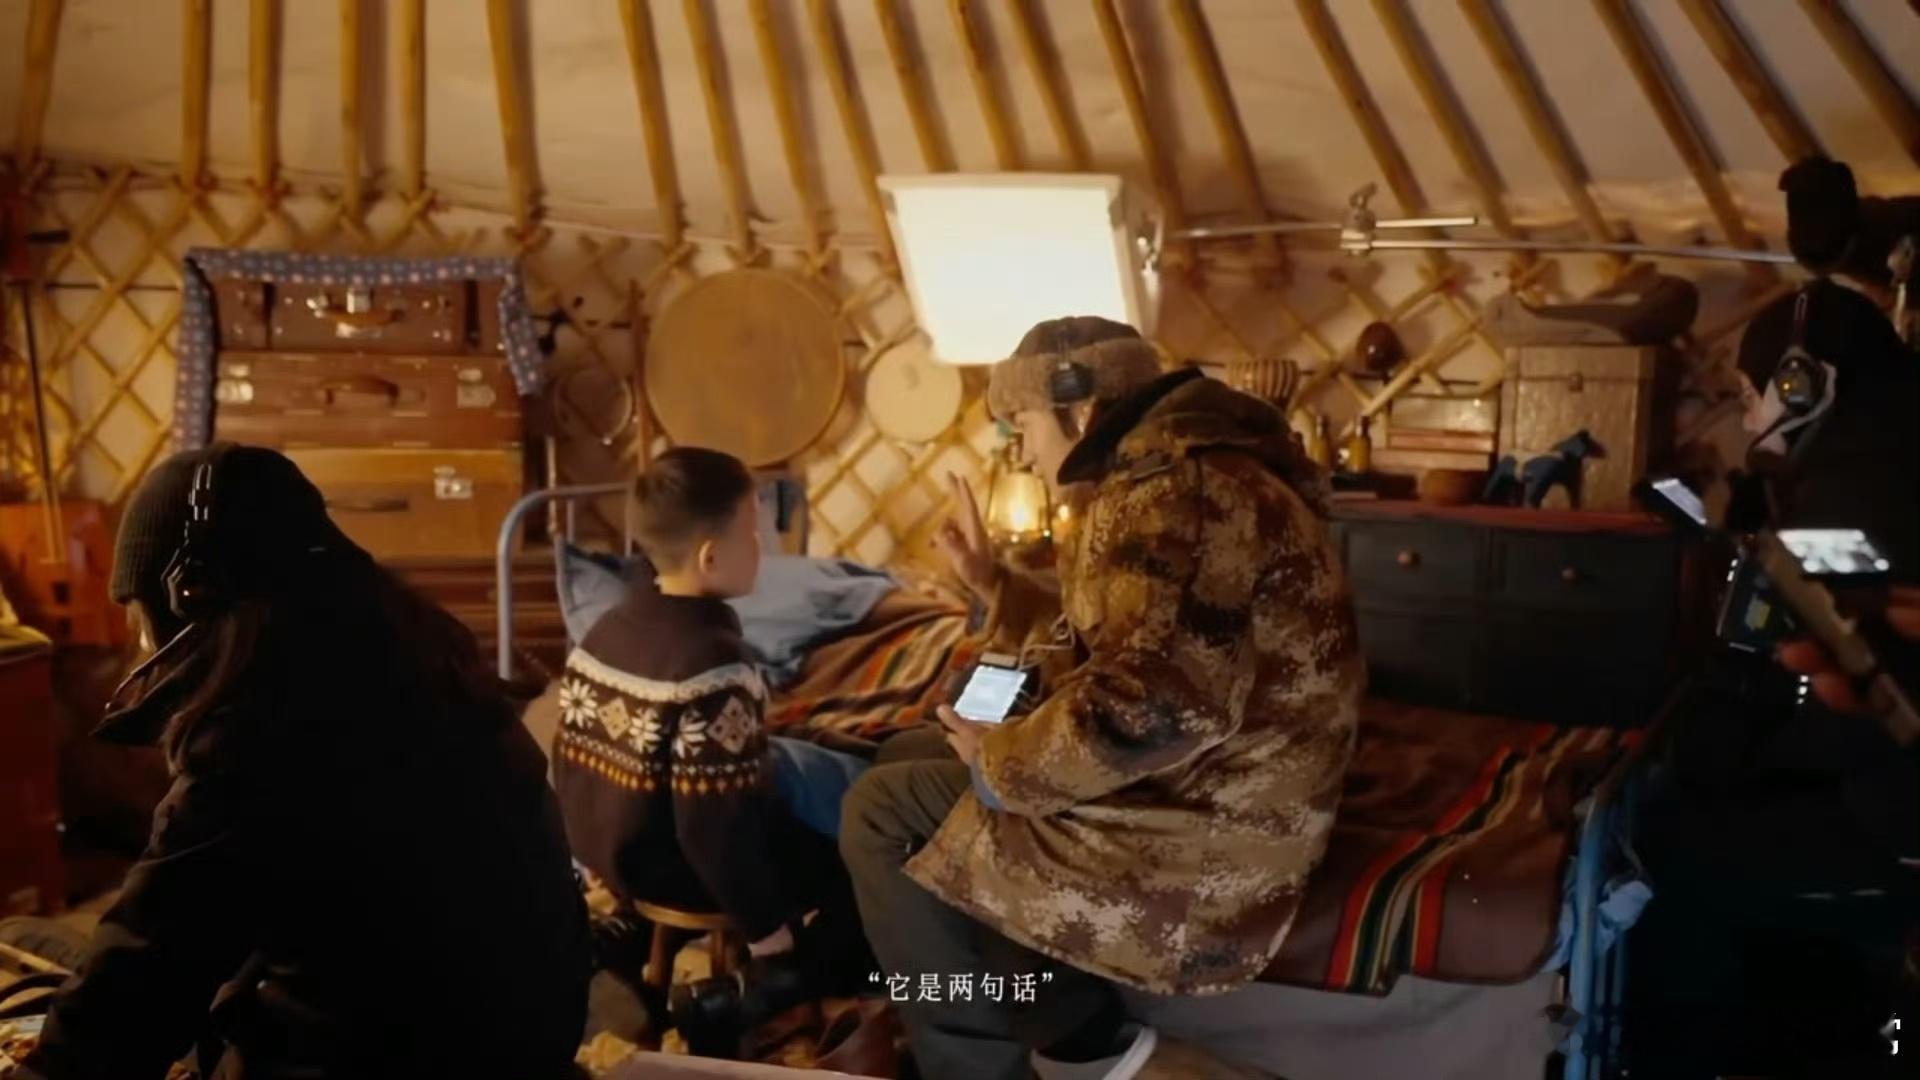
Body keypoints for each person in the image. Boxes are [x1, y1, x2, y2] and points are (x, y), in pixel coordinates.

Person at [839, 317, 1364, 1080]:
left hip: (1219, 830)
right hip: (1226, 779)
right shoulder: (1189, 472)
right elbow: (1127, 633)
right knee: (907, 754)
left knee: (882, 810)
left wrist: (1002, 764)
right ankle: (1052, 1022)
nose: (1021, 450)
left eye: (1023, 424)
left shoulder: (1171, 493)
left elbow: (1159, 705)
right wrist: (993, 585)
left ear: (1080, 408)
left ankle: (977, 1067)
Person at [19, 444, 592, 1080]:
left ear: (191, 597)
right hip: (524, 1046)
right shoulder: (432, 668)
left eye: (141, 617)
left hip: (380, 1057)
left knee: (30, 944)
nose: (142, 645)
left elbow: (136, 987)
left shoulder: (257, 747)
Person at [1627, 282, 1920, 1077]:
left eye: (1752, 394)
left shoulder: (1850, 497)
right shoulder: (1882, 457)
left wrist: (1739, 756)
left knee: (1667, 855)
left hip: (1895, 836)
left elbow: (1843, 707)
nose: (1751, 415)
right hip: (1879, 800)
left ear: (1802, 384)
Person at [548, 447, 869, 1054]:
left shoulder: (605, 631)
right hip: (688, 868)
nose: (764, 545)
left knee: (798, 774)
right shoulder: (715, 664)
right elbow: (714, 828)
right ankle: (746, 998)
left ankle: (627, 932)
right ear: (710, 556)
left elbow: (571, 765)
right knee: (865, 851)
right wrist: (769, 937)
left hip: (618, 857)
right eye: (754, 532)